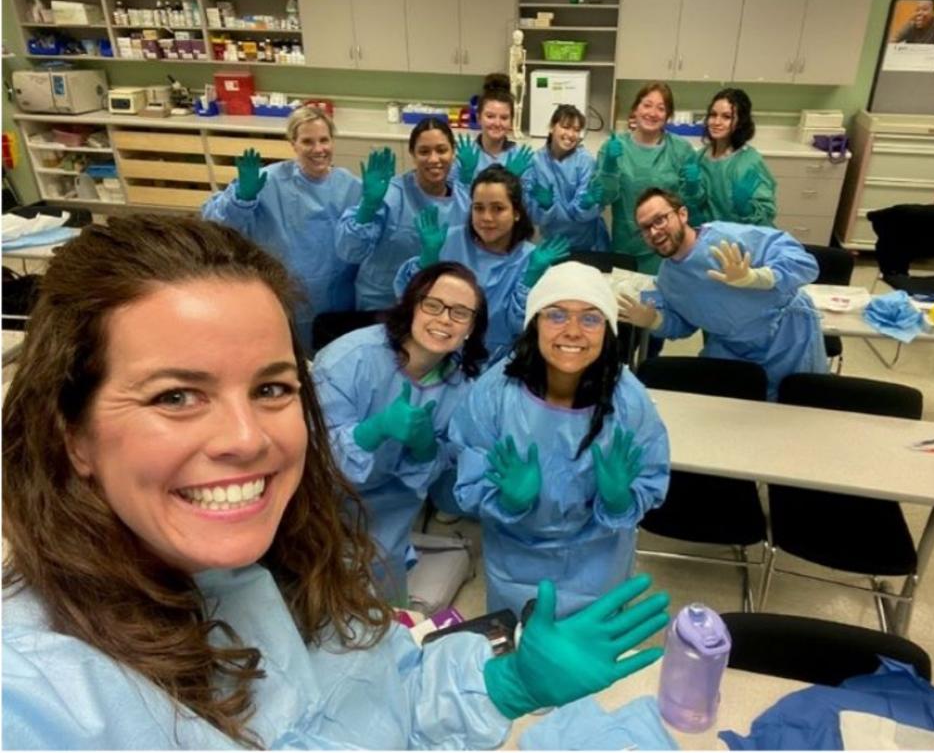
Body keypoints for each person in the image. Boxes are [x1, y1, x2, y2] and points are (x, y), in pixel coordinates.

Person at [1, 213, 670, 749]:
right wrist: (427, 462)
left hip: (414, 543)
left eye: (271, 388)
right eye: (176, 396)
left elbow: (384, 698)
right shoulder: (36, 692)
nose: (246, 438)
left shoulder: (305, 571)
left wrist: (503, 686)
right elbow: (454, 484)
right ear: (72, 433)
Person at [451, 261, 670, 619]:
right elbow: (469, 478)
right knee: (520, 658)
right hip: (515, 566)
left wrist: (619, 502)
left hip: (598, 568)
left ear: (608, 329)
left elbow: (650, 477)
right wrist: (508, 501)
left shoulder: (629, 401)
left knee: (587, 666)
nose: (573, 331)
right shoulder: (494, 395)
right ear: (534, 322)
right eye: (556, 315)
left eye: (590, 318)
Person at [311, 262, 489, 604]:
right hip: (322, 512)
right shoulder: (349, 359)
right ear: (411, 305)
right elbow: (311, 456)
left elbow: (445, 479)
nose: (443, 319)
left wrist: (427, 452)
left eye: (460, 313)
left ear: (471, 329)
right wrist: (371, 432)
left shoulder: (463, 388)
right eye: (432, 304)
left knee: (382, 615)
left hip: (389, 520)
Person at [618, 188, 826, 400]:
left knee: (796, 409)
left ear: (682, 214)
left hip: (788, 338)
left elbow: (806, 264)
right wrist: (654, 320)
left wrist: (757, 278)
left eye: (660, 220)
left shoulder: (728, 239)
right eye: (645, 228)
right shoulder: (668, 279)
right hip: (731, 347)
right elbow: (683, 326)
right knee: (720, 412)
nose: (654, 232)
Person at [201, 105, 362, 351]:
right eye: (307, 141)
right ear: (293, 144)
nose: (318, 149)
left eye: (324, 140)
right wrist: (241, 198)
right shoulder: (268, 181)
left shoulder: (350, 186)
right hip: (282, 294)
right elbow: (218, 226)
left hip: (335, 299)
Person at [396, 165, 570, 365]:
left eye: (498, 208)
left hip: (498, 364)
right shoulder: (446, 241)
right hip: (440, 355)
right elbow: (407, 301)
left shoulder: (532, 260)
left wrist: (530, 278)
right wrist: (427, 260)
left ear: (516, 213)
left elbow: (521, 328)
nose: (487, 218)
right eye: (479, 208)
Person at [334, 118, 469, 317]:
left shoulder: (465, 200)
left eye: (441, 150)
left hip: (437, 306)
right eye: (424, 151)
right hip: (383, 304)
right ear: (413, 155)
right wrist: (368, 206)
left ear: (453, 152)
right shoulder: (390, 194)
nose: (434, 159)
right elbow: (349, 252)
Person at [595, 81, 701, 275]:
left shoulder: (681, 150)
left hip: (667, 247)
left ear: (668, 116)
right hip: (625, 245)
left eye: (661, 108)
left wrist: (693, 188)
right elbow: (602, 199)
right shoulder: (614, 147)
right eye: (647, 105)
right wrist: (609, 167)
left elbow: (690, 208)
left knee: (660, 301)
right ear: (635, 109)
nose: (652, 113)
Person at [526, 104, 610, 252]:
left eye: (577, 130)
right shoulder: (536, 162)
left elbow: (584, 213)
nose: (571, 135)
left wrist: (585, 205)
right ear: (552, 127)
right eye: (566, 127)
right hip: (553, 244)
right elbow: (532, 216)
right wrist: (545, 208)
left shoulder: (585, 162)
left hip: (587, 244)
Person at [696, 88, 778, 226]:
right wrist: (691, 192)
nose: (716, 122)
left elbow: (766, 214)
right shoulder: (700, 157)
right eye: (713, 114)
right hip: (709, 236)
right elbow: (695, 208)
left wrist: (746, 209)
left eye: (726, 117)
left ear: (740, 122)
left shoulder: (749, 161)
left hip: (743, 240)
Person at [450, 73, 535, 187]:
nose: (497, 123)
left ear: (511, 121)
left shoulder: (520, 158)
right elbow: (452, 199)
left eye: (504, 118)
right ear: (479, 118)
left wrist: (514, 182)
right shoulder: (465, 154)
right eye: (490, 116)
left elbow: (527, 202)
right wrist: (465, 179)